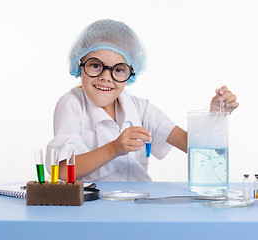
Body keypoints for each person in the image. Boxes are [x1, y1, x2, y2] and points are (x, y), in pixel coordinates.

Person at [45, 19, 239, 182]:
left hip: (138, 204)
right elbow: (62, 171)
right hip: (93, 208)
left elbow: (190, 144)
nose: (106, 77)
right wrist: (114, 148)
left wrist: (216, 115)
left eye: (118, 69)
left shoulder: (141, 109)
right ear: (79, 66)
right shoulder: (71, 104)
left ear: (130, 74)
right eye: (95, 65)